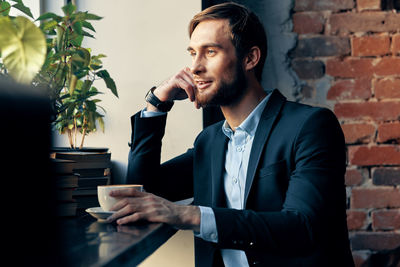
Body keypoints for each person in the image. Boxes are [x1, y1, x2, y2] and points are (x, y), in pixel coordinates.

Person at [107, 2, 355, 266]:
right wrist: (156, 105)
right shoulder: (209, 142)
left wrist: (189, 215)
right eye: (193, 53)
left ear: (250, 58)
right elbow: (142, 192)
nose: (195, 67)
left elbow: (303, 226)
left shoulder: (310, 126)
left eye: (210, 52)